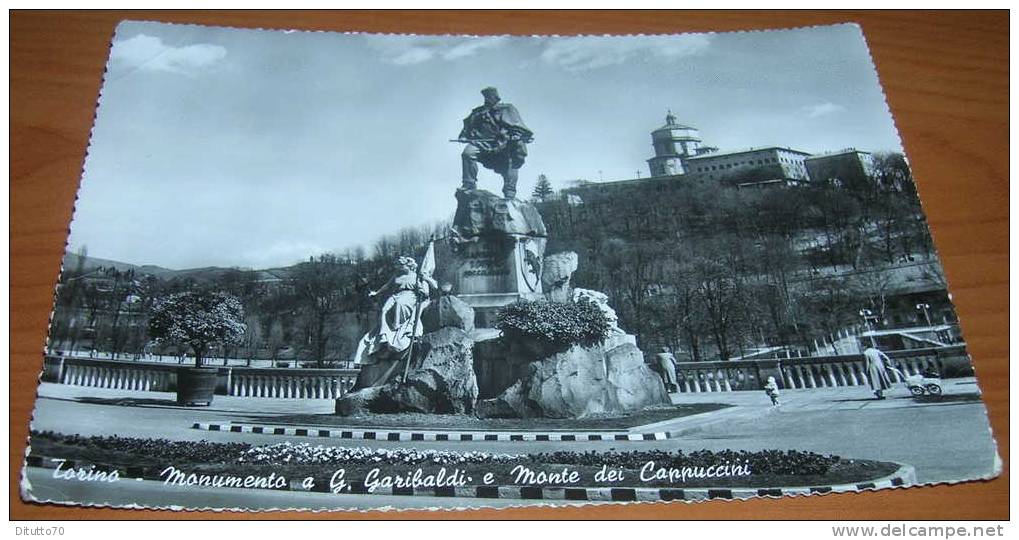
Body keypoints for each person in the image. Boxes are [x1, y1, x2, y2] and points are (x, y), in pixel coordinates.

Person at [353, 256, 437, 366]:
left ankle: (398, 329)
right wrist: (376, 293)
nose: (400, 268)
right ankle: (385, 334)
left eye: (402, 266)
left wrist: (426, 281)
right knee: (384, 310)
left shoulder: (416, 277)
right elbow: (387, 286)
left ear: (409, 266)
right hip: (396, 295)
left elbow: (433, 287)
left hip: (410, 296)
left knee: (400, 305)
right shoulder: (397, 276)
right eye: (400, 266)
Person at [457, 87, 534, 199]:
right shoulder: (478, 112)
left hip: (504, 144)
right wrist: (464, 136)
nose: (487, 99)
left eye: (490, 97)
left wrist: (515, 135)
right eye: (486, 97)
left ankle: (510, 192)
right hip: (482, 143)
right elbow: (468, 126)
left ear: (496, 97)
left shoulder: (507, 108)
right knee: (467, 154)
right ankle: (469, 183)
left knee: (512, 161)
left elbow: (518, 127)